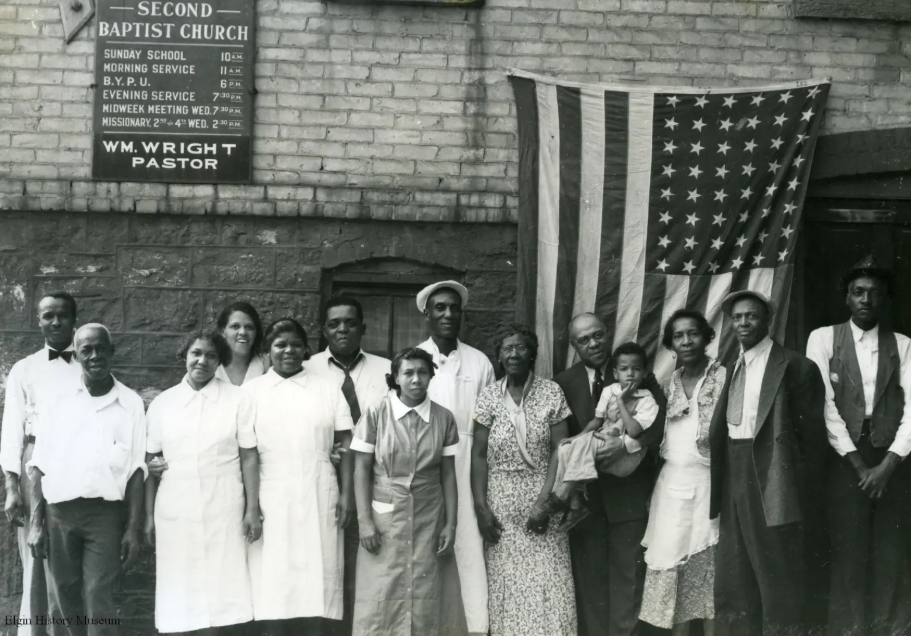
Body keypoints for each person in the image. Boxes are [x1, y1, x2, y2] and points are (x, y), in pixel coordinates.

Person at [709, 291, 827, 636]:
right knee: (735, 567)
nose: (744, 323)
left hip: (773, 473)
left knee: (776, 567)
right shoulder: (733, 367)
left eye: (752, 316)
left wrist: (792, 488)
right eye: (738, 317)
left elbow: (812, 442)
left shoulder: (795, 366)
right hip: (734, 470)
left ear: (767, 320)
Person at [805, 255, 911, 636]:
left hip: (892, 456)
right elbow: (824, 406)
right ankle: (848, 630)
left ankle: (892, 627)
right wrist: (858, 465)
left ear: (885, 299)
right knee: (848, 549)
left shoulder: (902, 345)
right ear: (847, 298)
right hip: (843, 456)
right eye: (858, 292)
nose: (866, 299)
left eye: (875, 293)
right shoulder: (822, 338)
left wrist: (887, 465)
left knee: (891, 550)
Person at [26, 323, 147, 636]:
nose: (95, 356)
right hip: (59, 514)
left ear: (112, 351)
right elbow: (38, 464)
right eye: (86, 350)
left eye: (101, 349)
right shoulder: (57, 399)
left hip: (105, 516)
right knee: (62, 598)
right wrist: (37, 524)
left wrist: (132, 529)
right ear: (77, 356)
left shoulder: (131, 403)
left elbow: (136, 470)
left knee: (98, 596)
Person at [552, 313, 667, 636]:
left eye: (598, 335)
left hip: (628, 490)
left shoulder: (638, 375)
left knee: (627, 576)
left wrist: (628, 445)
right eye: (584, 340)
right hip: (585, 499)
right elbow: (565, 438)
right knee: (589, 579)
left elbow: (658, 426)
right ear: (574, 346)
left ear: (607, 334)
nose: (593, 343)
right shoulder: (564, 381)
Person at [143, 331, 262, 635]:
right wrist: (147, 516)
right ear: (185, 355)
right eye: (196, 353)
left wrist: (252, 508)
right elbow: (150, 461)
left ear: (220, 361)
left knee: (226, 586)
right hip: (176, 507)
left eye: (211, 355)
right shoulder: (164, 403)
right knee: (180, 586)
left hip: (224, 504)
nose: (202, 361)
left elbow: (249, 456)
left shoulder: (238, 399)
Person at [243, 318, 354, 636]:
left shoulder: (326, 387)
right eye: (280, 345)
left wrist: (346, 494)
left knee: (317, 576)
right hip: (271, 492)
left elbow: (346, 443)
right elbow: (247, 452)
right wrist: (251, 508)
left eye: (295, 344)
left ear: (306, 349)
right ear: (267, 351)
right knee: (274, 579)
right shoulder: (252, 392)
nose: (288, 350)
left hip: (319, 490)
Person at [351, 347, 467, 636]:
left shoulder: (444, 418)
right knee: (383, 588)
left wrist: (450, 525)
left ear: (431, 375)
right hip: (385, 517)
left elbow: (448, 474)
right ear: (396, 378)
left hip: (430, 517)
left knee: (428, 590)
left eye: (423, 372)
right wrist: (365, 521)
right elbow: (361, 469)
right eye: (409, 372)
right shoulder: (376, 413)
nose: (416, 379)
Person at [471, 323, 577, 636]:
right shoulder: (489, 397)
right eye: (507, 348)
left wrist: (545, 502)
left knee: (548, 581)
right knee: (508, 585)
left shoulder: (551, 392)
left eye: (521, 347)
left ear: (532, 354)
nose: (514, 353)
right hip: (500, 504)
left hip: (543, 497)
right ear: (499, 357)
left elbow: (562, 449)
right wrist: (481, 507)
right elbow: (479, 455)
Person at [305, 295, 392, 636]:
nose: (342, 329)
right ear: (323, 330)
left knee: (370, 564)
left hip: (376, 482)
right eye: (334, 324)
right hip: (323, 480)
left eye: (350, 322)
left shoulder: (386, 369)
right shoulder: (306, 368)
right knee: (325, 566)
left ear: (363, 328)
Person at [639, 310, 726, 635]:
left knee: (708, 576)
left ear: (705, 337)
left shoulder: (725, 377)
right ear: (671, 344)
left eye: (693, 333)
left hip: (708, 487)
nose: (686, 341)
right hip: (671, 489)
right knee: (674, 573)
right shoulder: (668, 384)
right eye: (679, 336)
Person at [1, 292, 82, 636]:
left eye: (63, 315)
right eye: (48, 315)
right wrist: (11, 487)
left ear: (73, 319)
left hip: (76, 465)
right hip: (33, 465)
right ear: (39, 320)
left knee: (68, 558)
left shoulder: (88, 364)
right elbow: (12, 429)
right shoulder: (25, 369)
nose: (56, 322)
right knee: (35, 556)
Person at [416, 280, 493, 636]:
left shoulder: (479, 361)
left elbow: (489, 421)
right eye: (440, 308)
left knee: (470, 542)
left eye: (454, 307)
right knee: (430, 540)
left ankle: (475, 628)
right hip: (428, 462)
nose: (448, 314)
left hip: (470, 460)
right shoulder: (415, 359)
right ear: (427, 314)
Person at [215, 301, 268, 386]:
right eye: (235, 326)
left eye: (249, 327)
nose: (243, 332)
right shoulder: (211, 363)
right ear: (223, 331)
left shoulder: (266, 363)